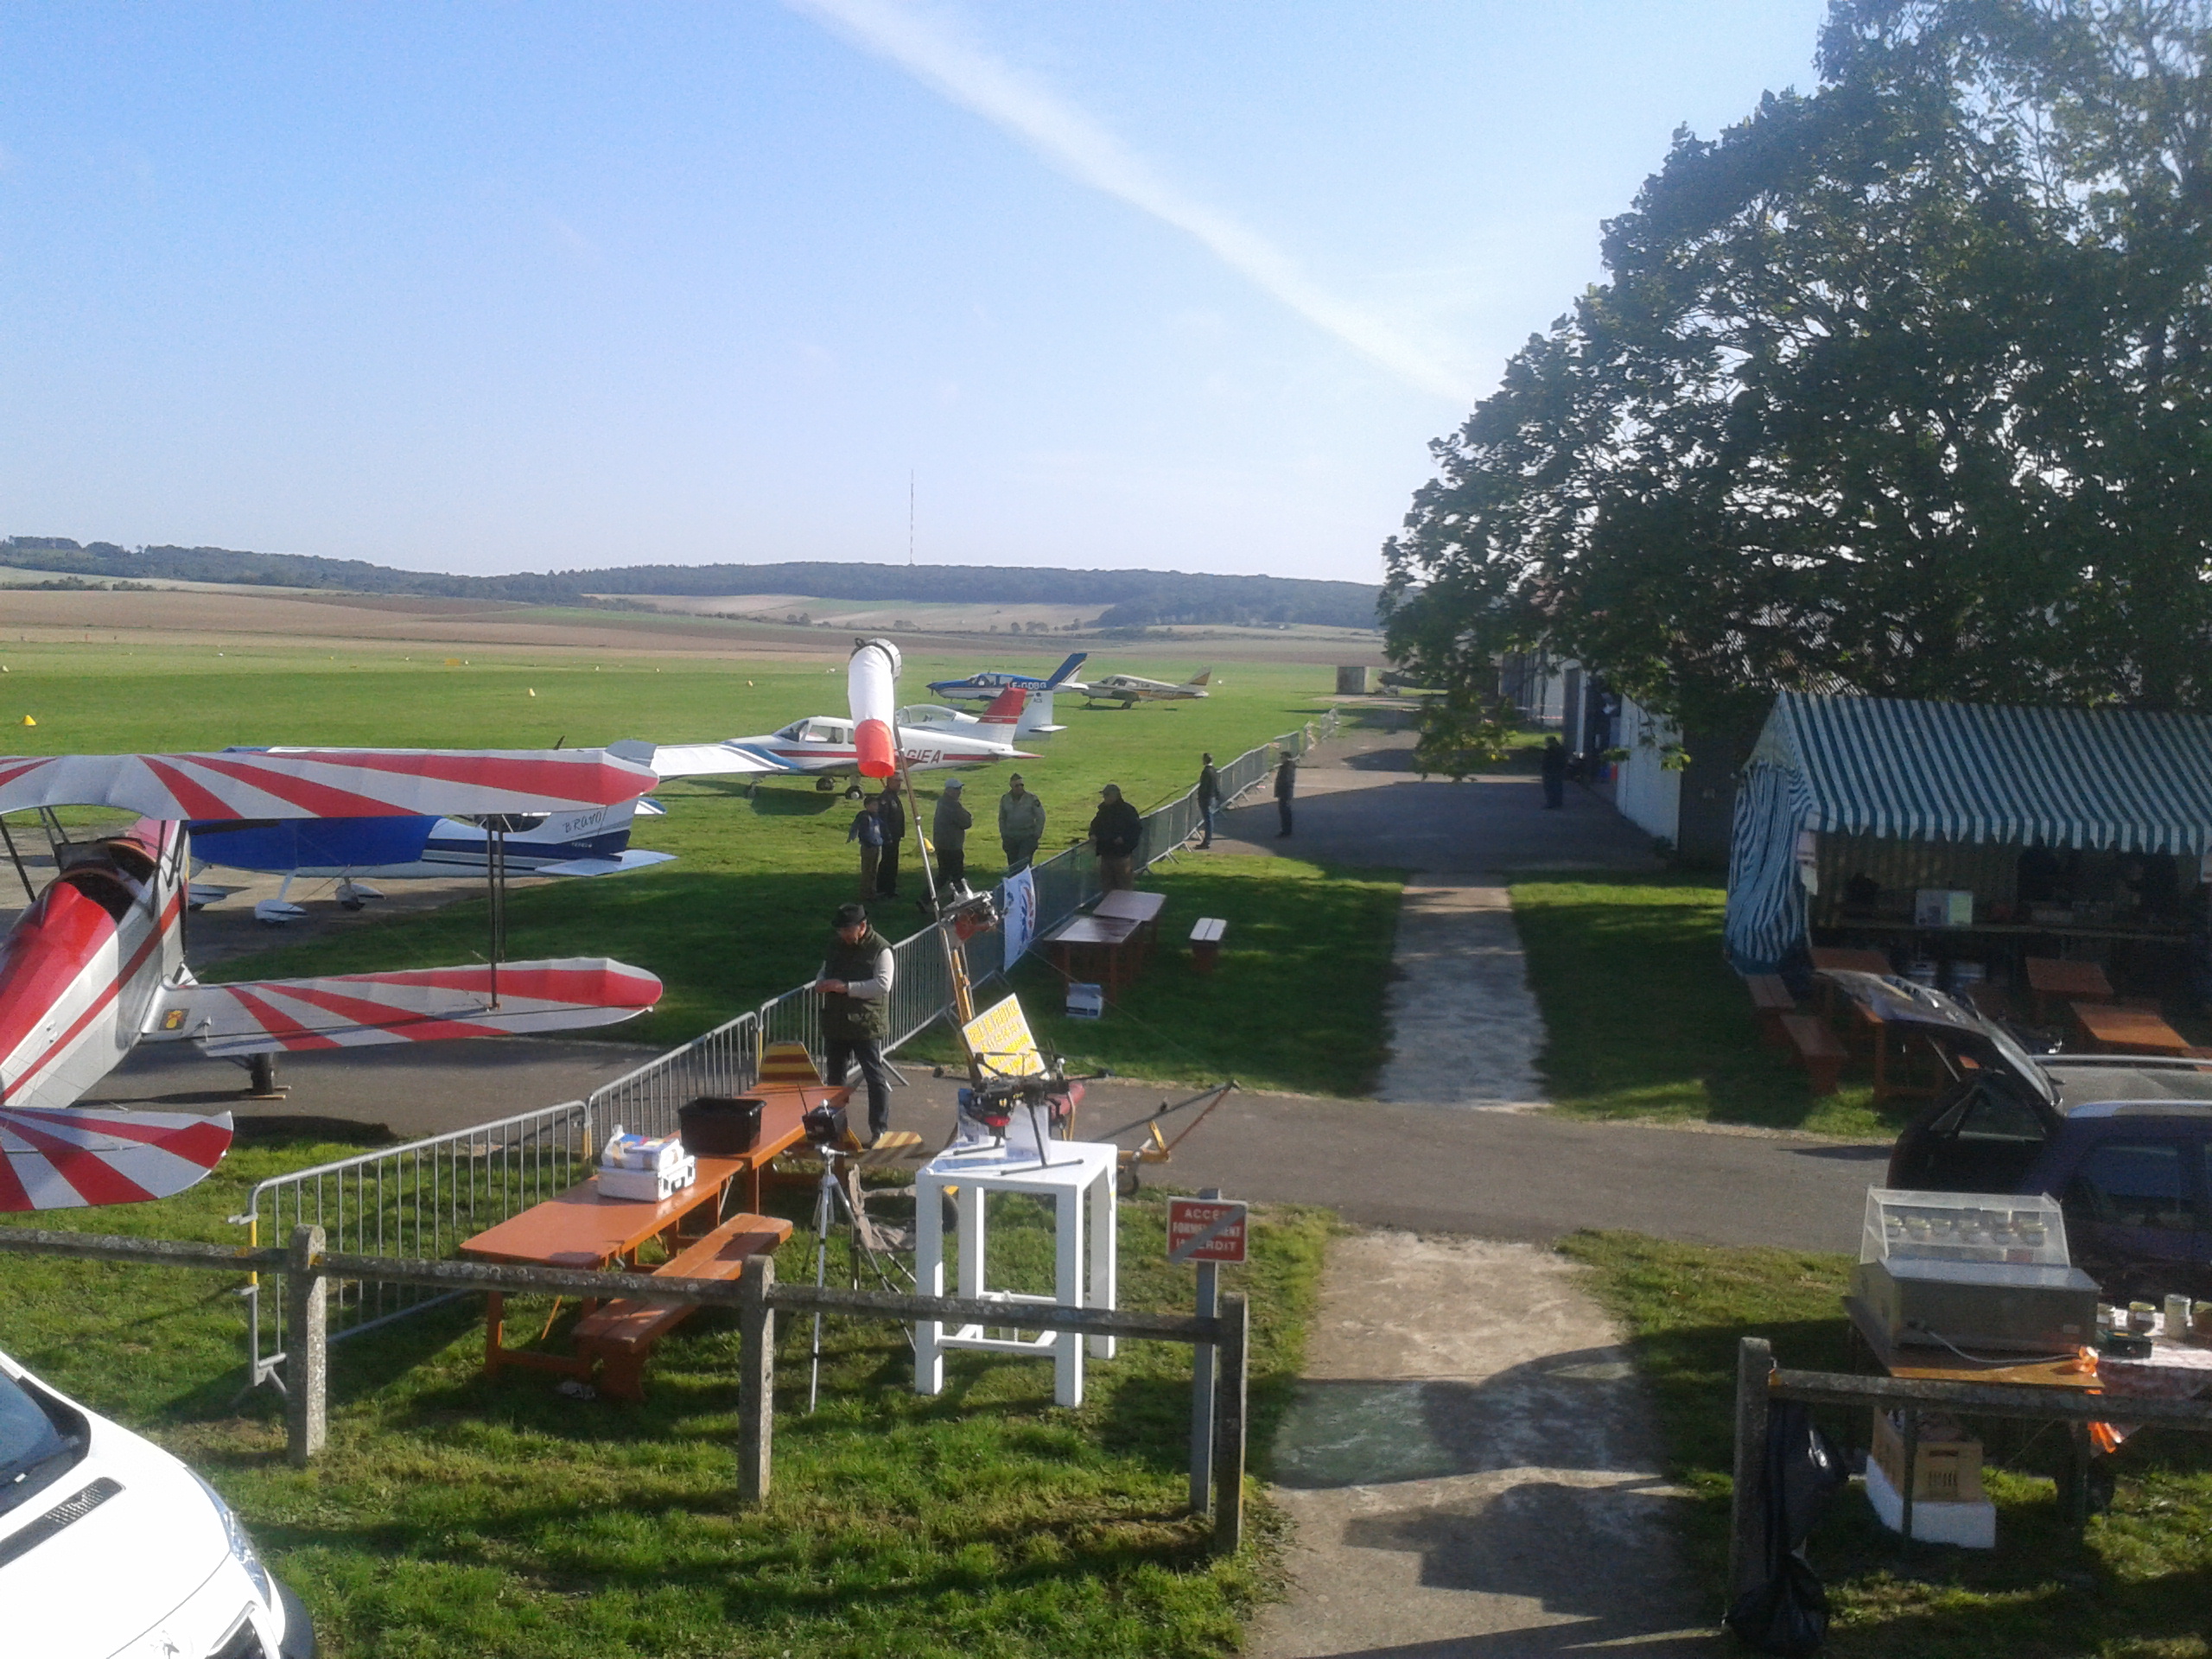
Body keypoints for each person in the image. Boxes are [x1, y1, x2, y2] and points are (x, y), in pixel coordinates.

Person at [813, 902, 895, 1143]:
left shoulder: (881, 949)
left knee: (874, 1077)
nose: (844, 935)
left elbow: (883, 985)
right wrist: (821, 982)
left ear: (862, 926)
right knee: (834, 1080)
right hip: (836, 1022)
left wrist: (846, 988)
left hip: (866, 1025)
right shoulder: (835, 945)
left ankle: (878, 1129)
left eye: (848, 930)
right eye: (840, 930)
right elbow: (824, 970)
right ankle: (836, 1130)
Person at [1088, 782, 1142, 890]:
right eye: (1104, 795)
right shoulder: (1103, 810)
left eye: (1107, 795)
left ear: (1115, 795)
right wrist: (1092, 834)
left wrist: (1124, 839)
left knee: (1124, 887)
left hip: (1122, 856)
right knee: (1107, 887)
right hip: (1105, 854)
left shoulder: (1127, 810)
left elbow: (1135, 829)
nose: (1105, 798)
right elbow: (1095, 825)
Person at [932, 777, 973, 894]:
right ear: (948, 790)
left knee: (945, 875)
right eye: (956, 789)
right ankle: (961, 899)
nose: (959, 791)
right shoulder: (952, 805)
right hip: (951, 846)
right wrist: (968, 816)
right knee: (955, 875)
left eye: (959, 788)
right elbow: (966, 822)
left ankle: (928, 898)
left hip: (943, 844)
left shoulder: (943, 802)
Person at [999, 772, 1045, 873]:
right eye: (1017, 786)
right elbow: (1002, 818)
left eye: (1021, 785)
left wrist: (1036, 834)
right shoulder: (1005, 799)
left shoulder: (1032, 798)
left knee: (1023, 864)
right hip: (1011, 837)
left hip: (1027, 836)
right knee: (1013, 865)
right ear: (1011, 786)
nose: (1020, 787)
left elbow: (1041, 816)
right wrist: (1004, 834)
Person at [846, 794, 883, 900]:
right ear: (867, 806)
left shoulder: (876, 817)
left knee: (873, 871)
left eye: (877, 805)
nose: (876, 807)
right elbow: (862, 832)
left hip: (876, 845)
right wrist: (867, 842)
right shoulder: (864, 818)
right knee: (867, 870)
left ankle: (872, 891)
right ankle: (865, 893)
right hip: (868, 847)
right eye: (873, 805)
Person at [874, 785, 906, 899]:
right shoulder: (885, 798)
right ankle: (883, 888)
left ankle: (890, 888)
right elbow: (883, 819)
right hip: (889, 836)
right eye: (896, 781)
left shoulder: (894, 797)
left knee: (893, 862)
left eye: (900, 781)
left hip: (895, 836)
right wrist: (887, 836)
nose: (899, 784)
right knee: (887, 862)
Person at [1196, 752, 1221, 848]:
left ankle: (1207, 841)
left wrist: (1200, 796)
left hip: (1207, 798)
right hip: (1212, 797)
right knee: (1209, 819)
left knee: (1208, 820)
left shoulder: (1206, 771)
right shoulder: (1214, 770)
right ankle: (1207, 840)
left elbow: (1204, 786)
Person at [1541, 735, 1567, 810]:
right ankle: (1558, 802)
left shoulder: (1550, 750)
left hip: (1550, 771)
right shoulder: (1561, 749)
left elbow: (1546, 761)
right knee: (1558, 786)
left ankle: (1551, 803)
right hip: (1558, 770)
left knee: (1550, 788)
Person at [1274, 752, 1296, 838]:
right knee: (1284, 811)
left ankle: (1286, 830)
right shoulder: (1287, 766)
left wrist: (1281, 789)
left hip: (1285, 792)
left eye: (1282, 757)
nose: (1281, 759)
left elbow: (1286, 780)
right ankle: (1286, 830)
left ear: (1287, 757)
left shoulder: (1287, 767)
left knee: (1285, 811)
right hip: (1284, 792)